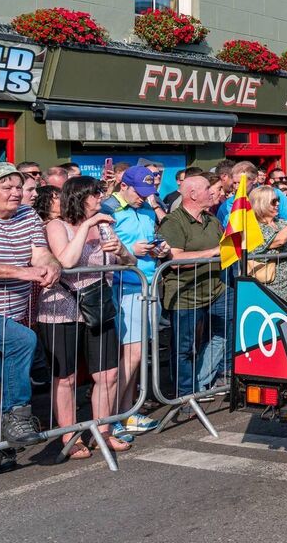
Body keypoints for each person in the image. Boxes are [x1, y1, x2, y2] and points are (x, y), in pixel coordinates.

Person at [0, 163, 60, 474]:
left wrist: (50, 266)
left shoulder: (27, 216)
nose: (16, 192)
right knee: (24, 340)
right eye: (6, 187)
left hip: (9, 310)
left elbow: (40, 252)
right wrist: (21, 272)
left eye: (18, 186)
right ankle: (16, 416)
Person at [39, 176, 136, 458]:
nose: (100, 200)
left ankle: (102, 431)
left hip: (98, 307)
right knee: (66, 378)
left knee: (108, 373)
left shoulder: (104, 225)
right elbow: (66, 261)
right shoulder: (56, 226)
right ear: (79, 197)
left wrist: (121, 251)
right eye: (95, 195)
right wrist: (86, 227)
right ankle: (69, 436)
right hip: (61, 309)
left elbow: (129, 264)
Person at [109, 165, 168, 434]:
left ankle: (128, 411)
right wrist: (129, 249)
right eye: (139, 192)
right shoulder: (108, 208)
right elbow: (101, 244)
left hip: (149, 283)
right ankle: (114, 417)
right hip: (124, 287)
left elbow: (148, 238)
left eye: (148, 192)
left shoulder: (145, 208)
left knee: (138, 353)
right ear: (124, 185)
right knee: (130, 355)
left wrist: (159, 248)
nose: (143, 197)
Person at [158, 174, 225, 398]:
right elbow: (176, 260)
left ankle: (203, 380)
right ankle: (185, 395)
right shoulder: (173, 222)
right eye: (208, 188)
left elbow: (227, 246)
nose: (213, 192)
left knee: (226, 332)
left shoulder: (212, 220)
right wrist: (213, 253)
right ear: (193, 194)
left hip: (216, 289)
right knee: (184, 348)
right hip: (186, 294)